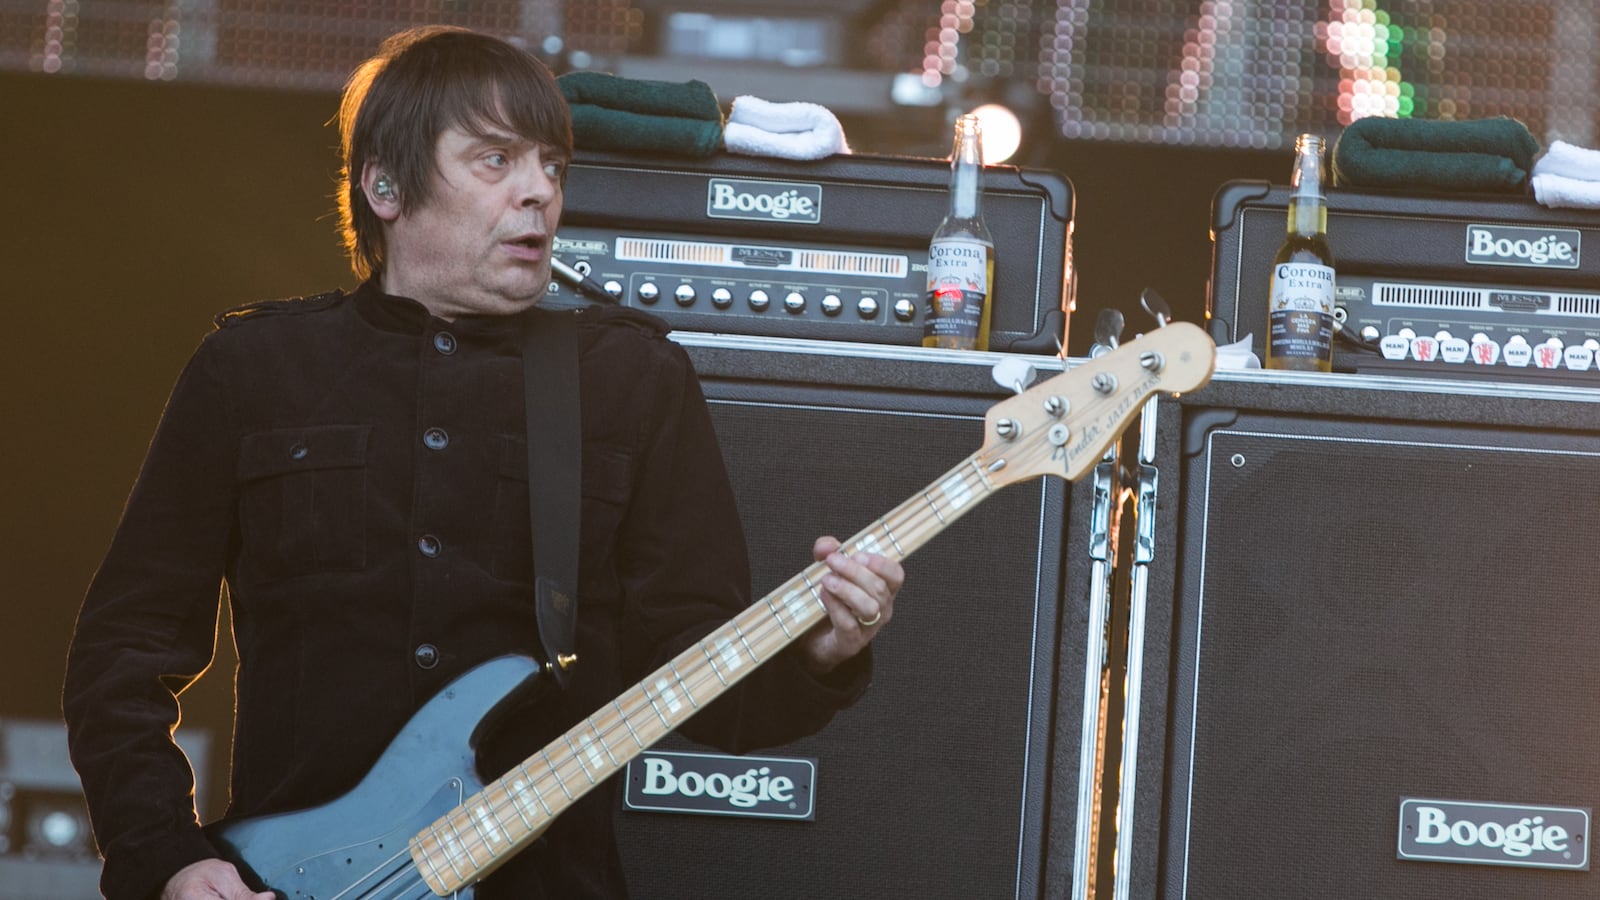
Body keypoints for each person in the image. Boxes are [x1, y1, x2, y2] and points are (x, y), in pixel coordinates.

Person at [62, 25, 902, 900]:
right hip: (292, 879)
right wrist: (167, 854)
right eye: (496, 160)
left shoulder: (628, 380)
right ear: (385, 186)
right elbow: (121, 655)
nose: (539, 191)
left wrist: (822, 652)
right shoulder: (254, 373)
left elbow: (700, 682)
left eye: (553, 166)